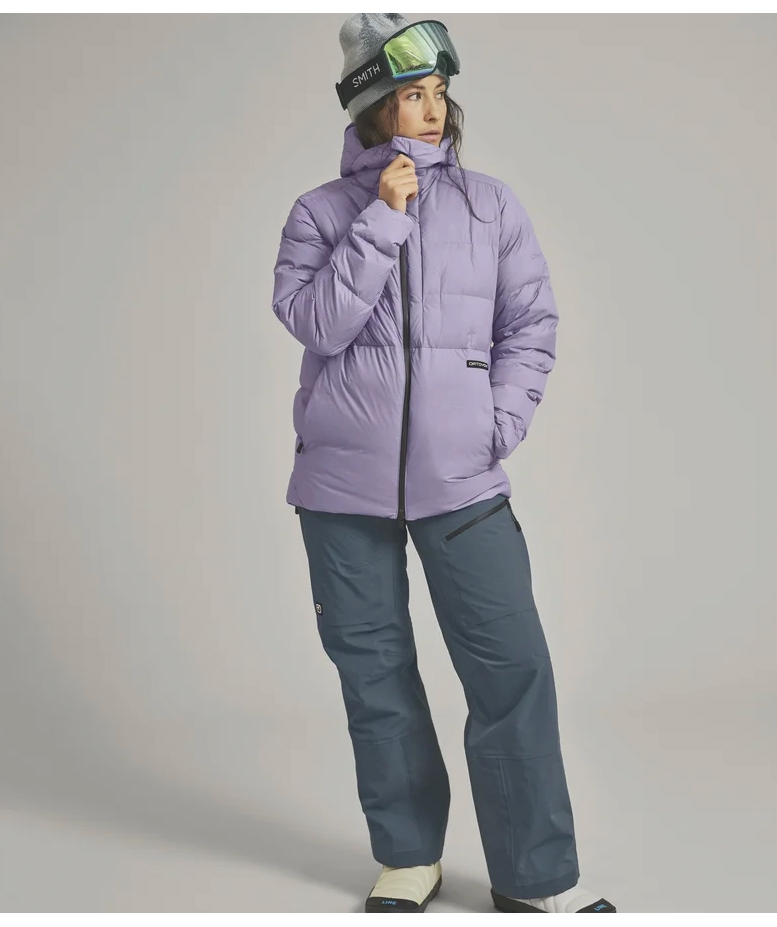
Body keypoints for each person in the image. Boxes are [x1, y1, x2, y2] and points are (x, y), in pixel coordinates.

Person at [271, 14, 617, 915]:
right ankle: (407, 857)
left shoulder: (490, 206)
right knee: (375, 674)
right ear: (372, 110)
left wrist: (494, 424)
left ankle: (534, 876)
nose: (431, 111)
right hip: (340, 490)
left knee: (511, 669)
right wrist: (381, 221)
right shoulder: (320, 213)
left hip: (463, 483)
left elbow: (529, 325)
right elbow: (316, 325)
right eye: (411, 96)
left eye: (437, 94)